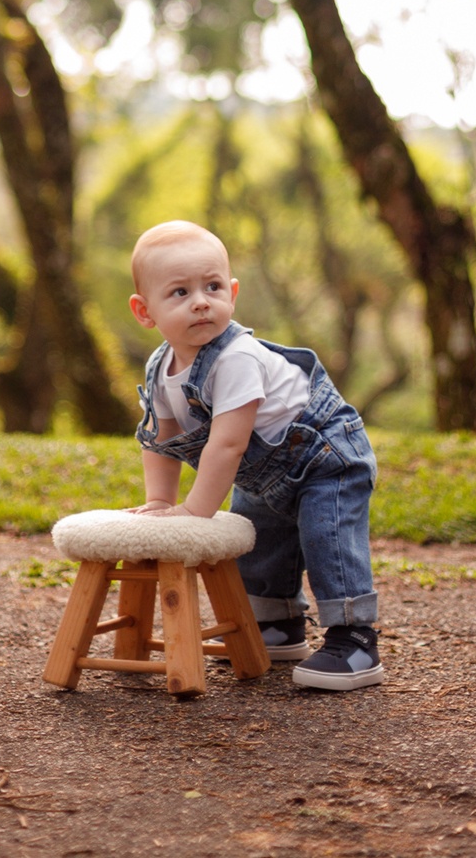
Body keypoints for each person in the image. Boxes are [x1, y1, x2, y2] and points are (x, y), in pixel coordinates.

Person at [126, 218, 383, 691]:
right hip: (265, 472)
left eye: (213, 286)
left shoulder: (236, 358)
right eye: (180, 293)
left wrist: (195, 511)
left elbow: (228, 443)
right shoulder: (161, 366)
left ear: (233, 292)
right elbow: (160, 439)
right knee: (260, 544)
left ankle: (355, 639)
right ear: (145, 312)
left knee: (329, 540)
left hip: (324, 458)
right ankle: (276, 625)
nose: (201, 301)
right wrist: (161, 501)